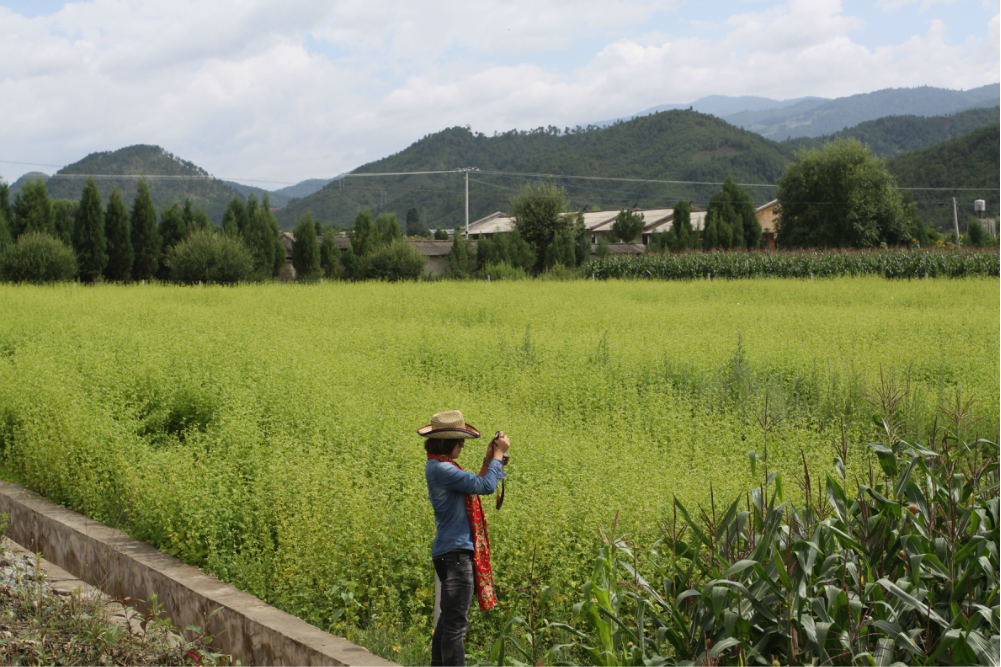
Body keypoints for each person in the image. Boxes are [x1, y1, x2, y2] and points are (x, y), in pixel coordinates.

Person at [420, 410, 510, 667]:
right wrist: (499, 455)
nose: (462, 445)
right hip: (456, 555)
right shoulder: (443, 469)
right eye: (460, 441)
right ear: (447, 442)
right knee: (456, 625)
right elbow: (486, 487)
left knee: (447, 620)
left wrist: (489, 457)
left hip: (449, 552)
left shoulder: (440, 466)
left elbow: (476, 483)